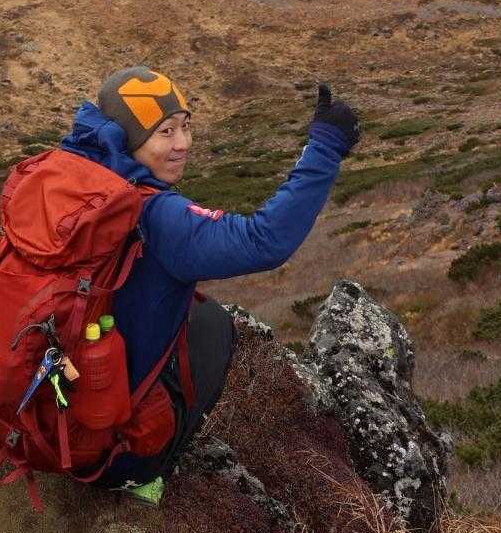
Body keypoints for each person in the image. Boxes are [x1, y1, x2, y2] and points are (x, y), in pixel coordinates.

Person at [59, 65, 360, 501]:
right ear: (127, 138)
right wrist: (325, 148)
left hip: (44, 414)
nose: (182, 143)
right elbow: (264, 240)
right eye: (165, 131)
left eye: (186, 126)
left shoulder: (68, 178)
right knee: (215, 328)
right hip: (103, 455)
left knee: (197, 313)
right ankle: (140, 472)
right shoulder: (161, 219)